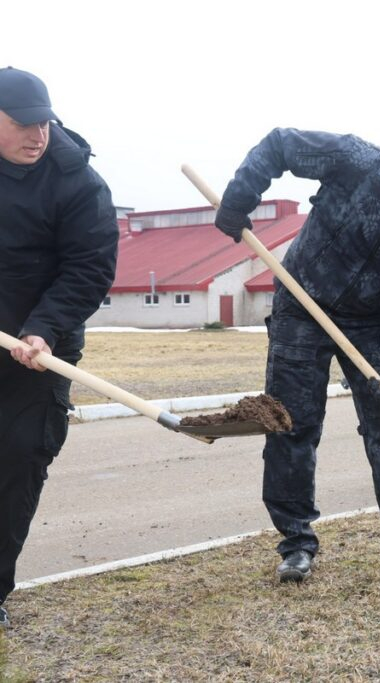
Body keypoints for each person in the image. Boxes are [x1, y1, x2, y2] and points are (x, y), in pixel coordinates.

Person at [214, 130, 380, 581]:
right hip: (302, 301)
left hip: (372, 322)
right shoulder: (356, 161)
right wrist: (241, 198)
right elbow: (279, 145)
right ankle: (296, 544)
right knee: (292, 424)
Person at [0, 67, 119, 629]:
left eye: (44, 123)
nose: (37, 135)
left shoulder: (78, 182)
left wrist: (42, 327)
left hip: (40, 348)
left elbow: (89, 267)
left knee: (21, 459)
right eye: (23, 124)